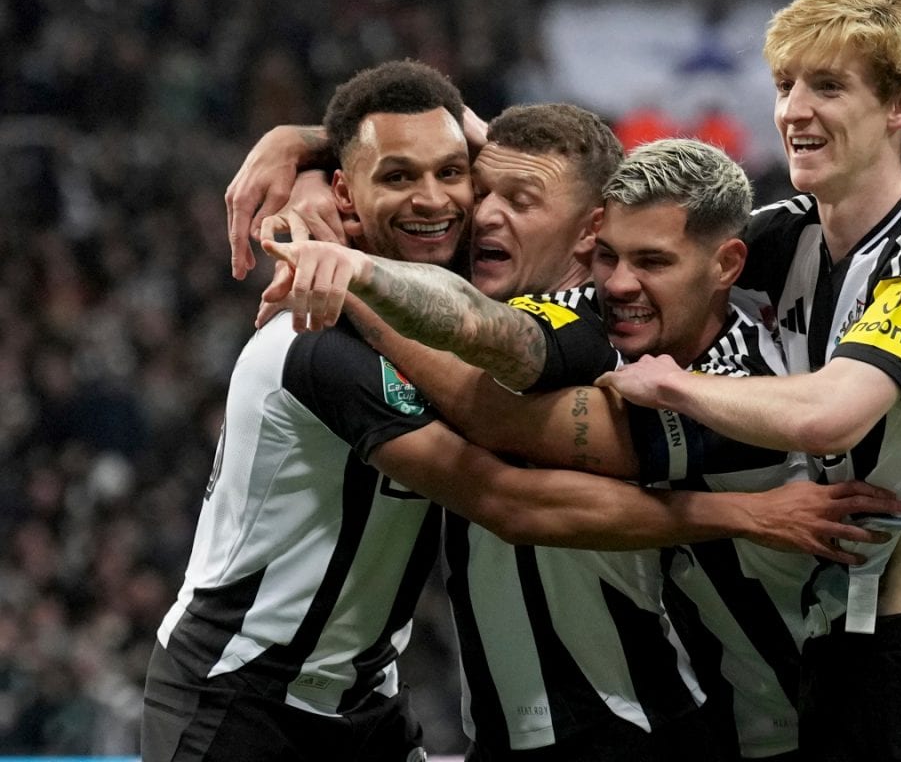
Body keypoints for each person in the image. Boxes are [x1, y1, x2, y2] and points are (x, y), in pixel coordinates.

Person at [144, 61, 844, 762]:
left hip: (621, 725)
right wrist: (299, 147)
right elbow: (426, 132)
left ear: (589, 229)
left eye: (517, 199)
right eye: (480, 191)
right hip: (250, 692)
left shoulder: (599, 325)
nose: (476, 211)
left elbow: (503, 440)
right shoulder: (342, 328)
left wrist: (351, 269)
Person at [265, 137, 901, 761]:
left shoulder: (742, 388)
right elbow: (489, 144)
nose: (620, 283)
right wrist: (306, 154)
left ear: (726, 266)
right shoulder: (604, 320)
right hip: (700, 713)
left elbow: (496, 427)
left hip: (800, 720)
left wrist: (352, 274)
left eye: (652, 262)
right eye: (608, 256)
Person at [594, 0, 901, 761]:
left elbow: (830, 415)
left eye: (827, 86)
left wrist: (671, 383)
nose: (793, 110)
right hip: (840, 661)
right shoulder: (792, 235)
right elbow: (663, 270)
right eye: (785, 85)